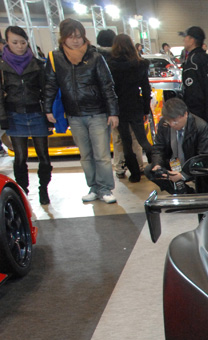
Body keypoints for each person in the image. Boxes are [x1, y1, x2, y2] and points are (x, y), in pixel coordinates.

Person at [43, 19, 119, 204]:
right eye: (71, 37)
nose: (76, 40)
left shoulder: (95, 57)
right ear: (63, 38)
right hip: (74, 115)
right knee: (85, 155)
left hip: (98, 113)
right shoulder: (55, 58)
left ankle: (105, 188)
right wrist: (47, 108)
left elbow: (107, 85)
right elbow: (50, 85)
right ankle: (93, 187)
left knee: (101, 154)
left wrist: (113, 112)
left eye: (79, 36)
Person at [0, 26, 53, 204]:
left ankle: (44, 189)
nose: (20, 46)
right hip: (14, 114)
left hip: (37, 113)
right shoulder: (2, 67)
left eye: (23, 42)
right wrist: (2, 118)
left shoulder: (38, 64)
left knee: (44, 156)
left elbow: (47, 91)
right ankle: (23, 192)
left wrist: (48, 113)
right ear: (7, 42)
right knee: (20, 157)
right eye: (15, 42)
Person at [107, 34, 153, 183]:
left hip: (119, 107)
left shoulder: (110, 65)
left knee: (126, 143)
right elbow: (145, 88)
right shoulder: (140, 64)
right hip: (135, 105)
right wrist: (146, 108)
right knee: (142, 140)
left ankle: (134, 175)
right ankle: (155, 165)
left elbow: (108, 89)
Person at [145, 97, 208, 194]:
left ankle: (196, 195)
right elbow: (158, 148)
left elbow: (204, 157)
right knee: (149, 170)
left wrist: (183, 175)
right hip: (173, 163)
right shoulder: (164, 124)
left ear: (185, 114)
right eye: (168, 121)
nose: (172, 124)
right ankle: (184, 192)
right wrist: (157, 165)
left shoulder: (200, 127)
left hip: (193, 165)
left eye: (175, 121)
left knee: (204, 177)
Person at [180, 26, 208, 155]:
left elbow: (192, 92)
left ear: (192, 40)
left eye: (186, 37)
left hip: (200, 116)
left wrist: (193, 116)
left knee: (203, 149)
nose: (184, 40)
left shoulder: (192, 63)